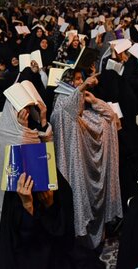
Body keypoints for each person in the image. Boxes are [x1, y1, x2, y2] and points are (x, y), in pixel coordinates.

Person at [50, 70, 122, 252]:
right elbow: (67, 107)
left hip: (93, 181)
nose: (81, 84)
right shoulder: (63, 113)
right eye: (76, 81)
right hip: (77, 177)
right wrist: (83, 86)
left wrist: (95, 101)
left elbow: (110, 118)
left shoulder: (87, 117)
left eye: (81, 79)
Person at [0, 77, 52, 260]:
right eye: (22, 108)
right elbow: (21, 150)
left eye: (29, 108)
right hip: (13, 197)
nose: (26, 112)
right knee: (13, 239)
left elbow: (47, 153)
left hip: (35, 194)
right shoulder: (3, 131)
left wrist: (42, 118)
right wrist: (23, 129)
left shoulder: (30, 126)